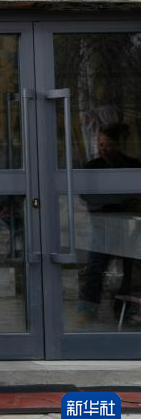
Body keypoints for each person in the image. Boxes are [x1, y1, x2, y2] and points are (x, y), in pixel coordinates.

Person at [78, 123, 141, 324]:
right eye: (101, 144)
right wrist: (114, 202)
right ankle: (88, 309)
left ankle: (124, 310)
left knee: (130, 270)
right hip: (102, 223)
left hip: (129, 225)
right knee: (95, 267)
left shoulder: (133, 166)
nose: (104, 148)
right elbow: (85, 194)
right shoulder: (92, 167)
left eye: (109, 144)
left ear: (120, 145)